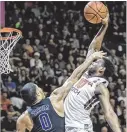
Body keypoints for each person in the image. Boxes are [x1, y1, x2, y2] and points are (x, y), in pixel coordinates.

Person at [16, 51, 106, 132]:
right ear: (38, 93)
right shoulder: (54, 99)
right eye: (38, 88)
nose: (41, 89)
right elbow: (75, 76)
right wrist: (91, 58)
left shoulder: (23, 119)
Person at [64, 13, 121, 132]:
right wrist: (104, 26)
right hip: (67, 125)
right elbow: (94, 47)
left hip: (79, 128)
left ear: (101, 70)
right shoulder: (85, 73)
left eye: (96, 61)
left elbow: (109, 113)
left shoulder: (100, 86)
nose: (93, 61)